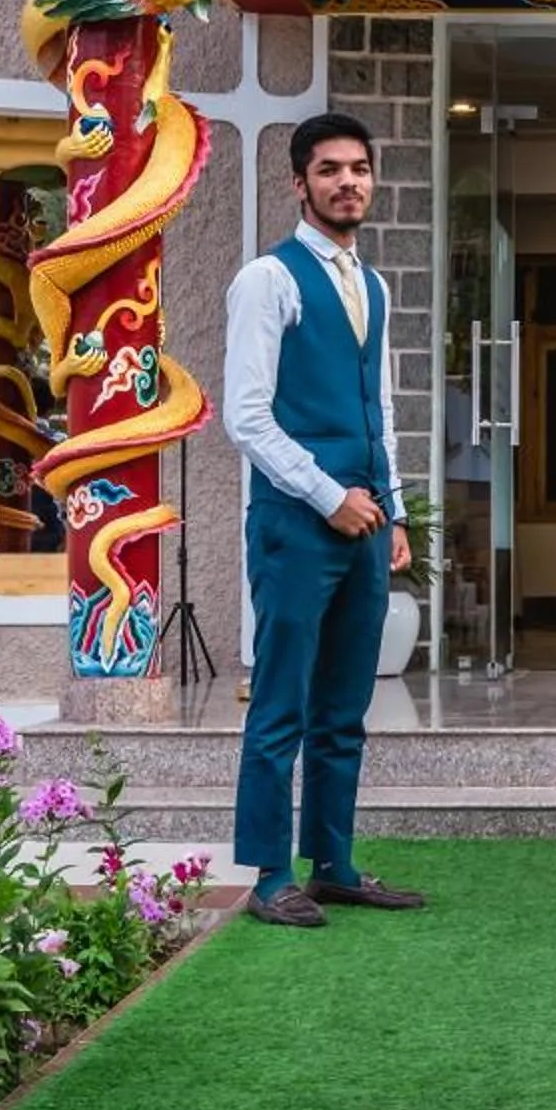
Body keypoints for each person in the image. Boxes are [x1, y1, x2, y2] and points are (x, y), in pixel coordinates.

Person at [220, 112, 429, 928]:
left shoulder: (370, 285)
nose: (349, 182)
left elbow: (378, 406)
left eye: (360, 169)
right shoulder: (266, 281)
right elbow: (246, 417)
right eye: (330, 169)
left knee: (346, 704)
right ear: (299, 182)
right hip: (297, 523)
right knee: (283, 706)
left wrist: (396, 510)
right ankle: (273, 875)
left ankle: (334, 862)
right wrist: (326, 496)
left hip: (367, 523)